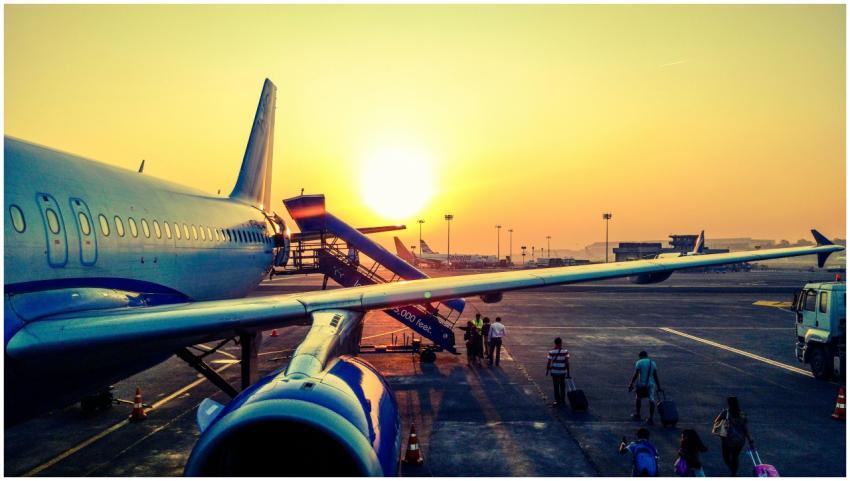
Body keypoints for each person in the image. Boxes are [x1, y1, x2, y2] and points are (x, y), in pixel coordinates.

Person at [712, 396, 753, 476]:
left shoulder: (725, 412)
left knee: (726, 457)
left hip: (728, 439)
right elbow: (745, 428)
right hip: (740, 440)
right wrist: (750, 440)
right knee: (735, 456)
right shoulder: (742, 414)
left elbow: (716, 421)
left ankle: (732, 469)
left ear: (728, 403)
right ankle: (734, 472)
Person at [628, 351, 661, 424]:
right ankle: (651, 418)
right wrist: (659, 386)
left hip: (642, 383)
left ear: (640, 356)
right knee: (651, 400)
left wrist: (631, 384)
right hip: (651, 384)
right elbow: (655, 376)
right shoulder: (652, 363)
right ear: (647, 355)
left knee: (638, 398)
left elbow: (636, 374)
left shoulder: (639, 362)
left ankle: (638, 414)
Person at [545, 337, 570, 406]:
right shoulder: (565, 352)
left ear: (555, 343)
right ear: (561, 343)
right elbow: (567, 363)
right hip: (562, 372)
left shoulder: (551, 352)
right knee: (562, 386)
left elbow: (549, 362)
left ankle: (557, 400)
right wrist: (568, 373)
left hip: (554, 372)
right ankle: (563, 400)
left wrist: (547, 371)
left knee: (556, 386)